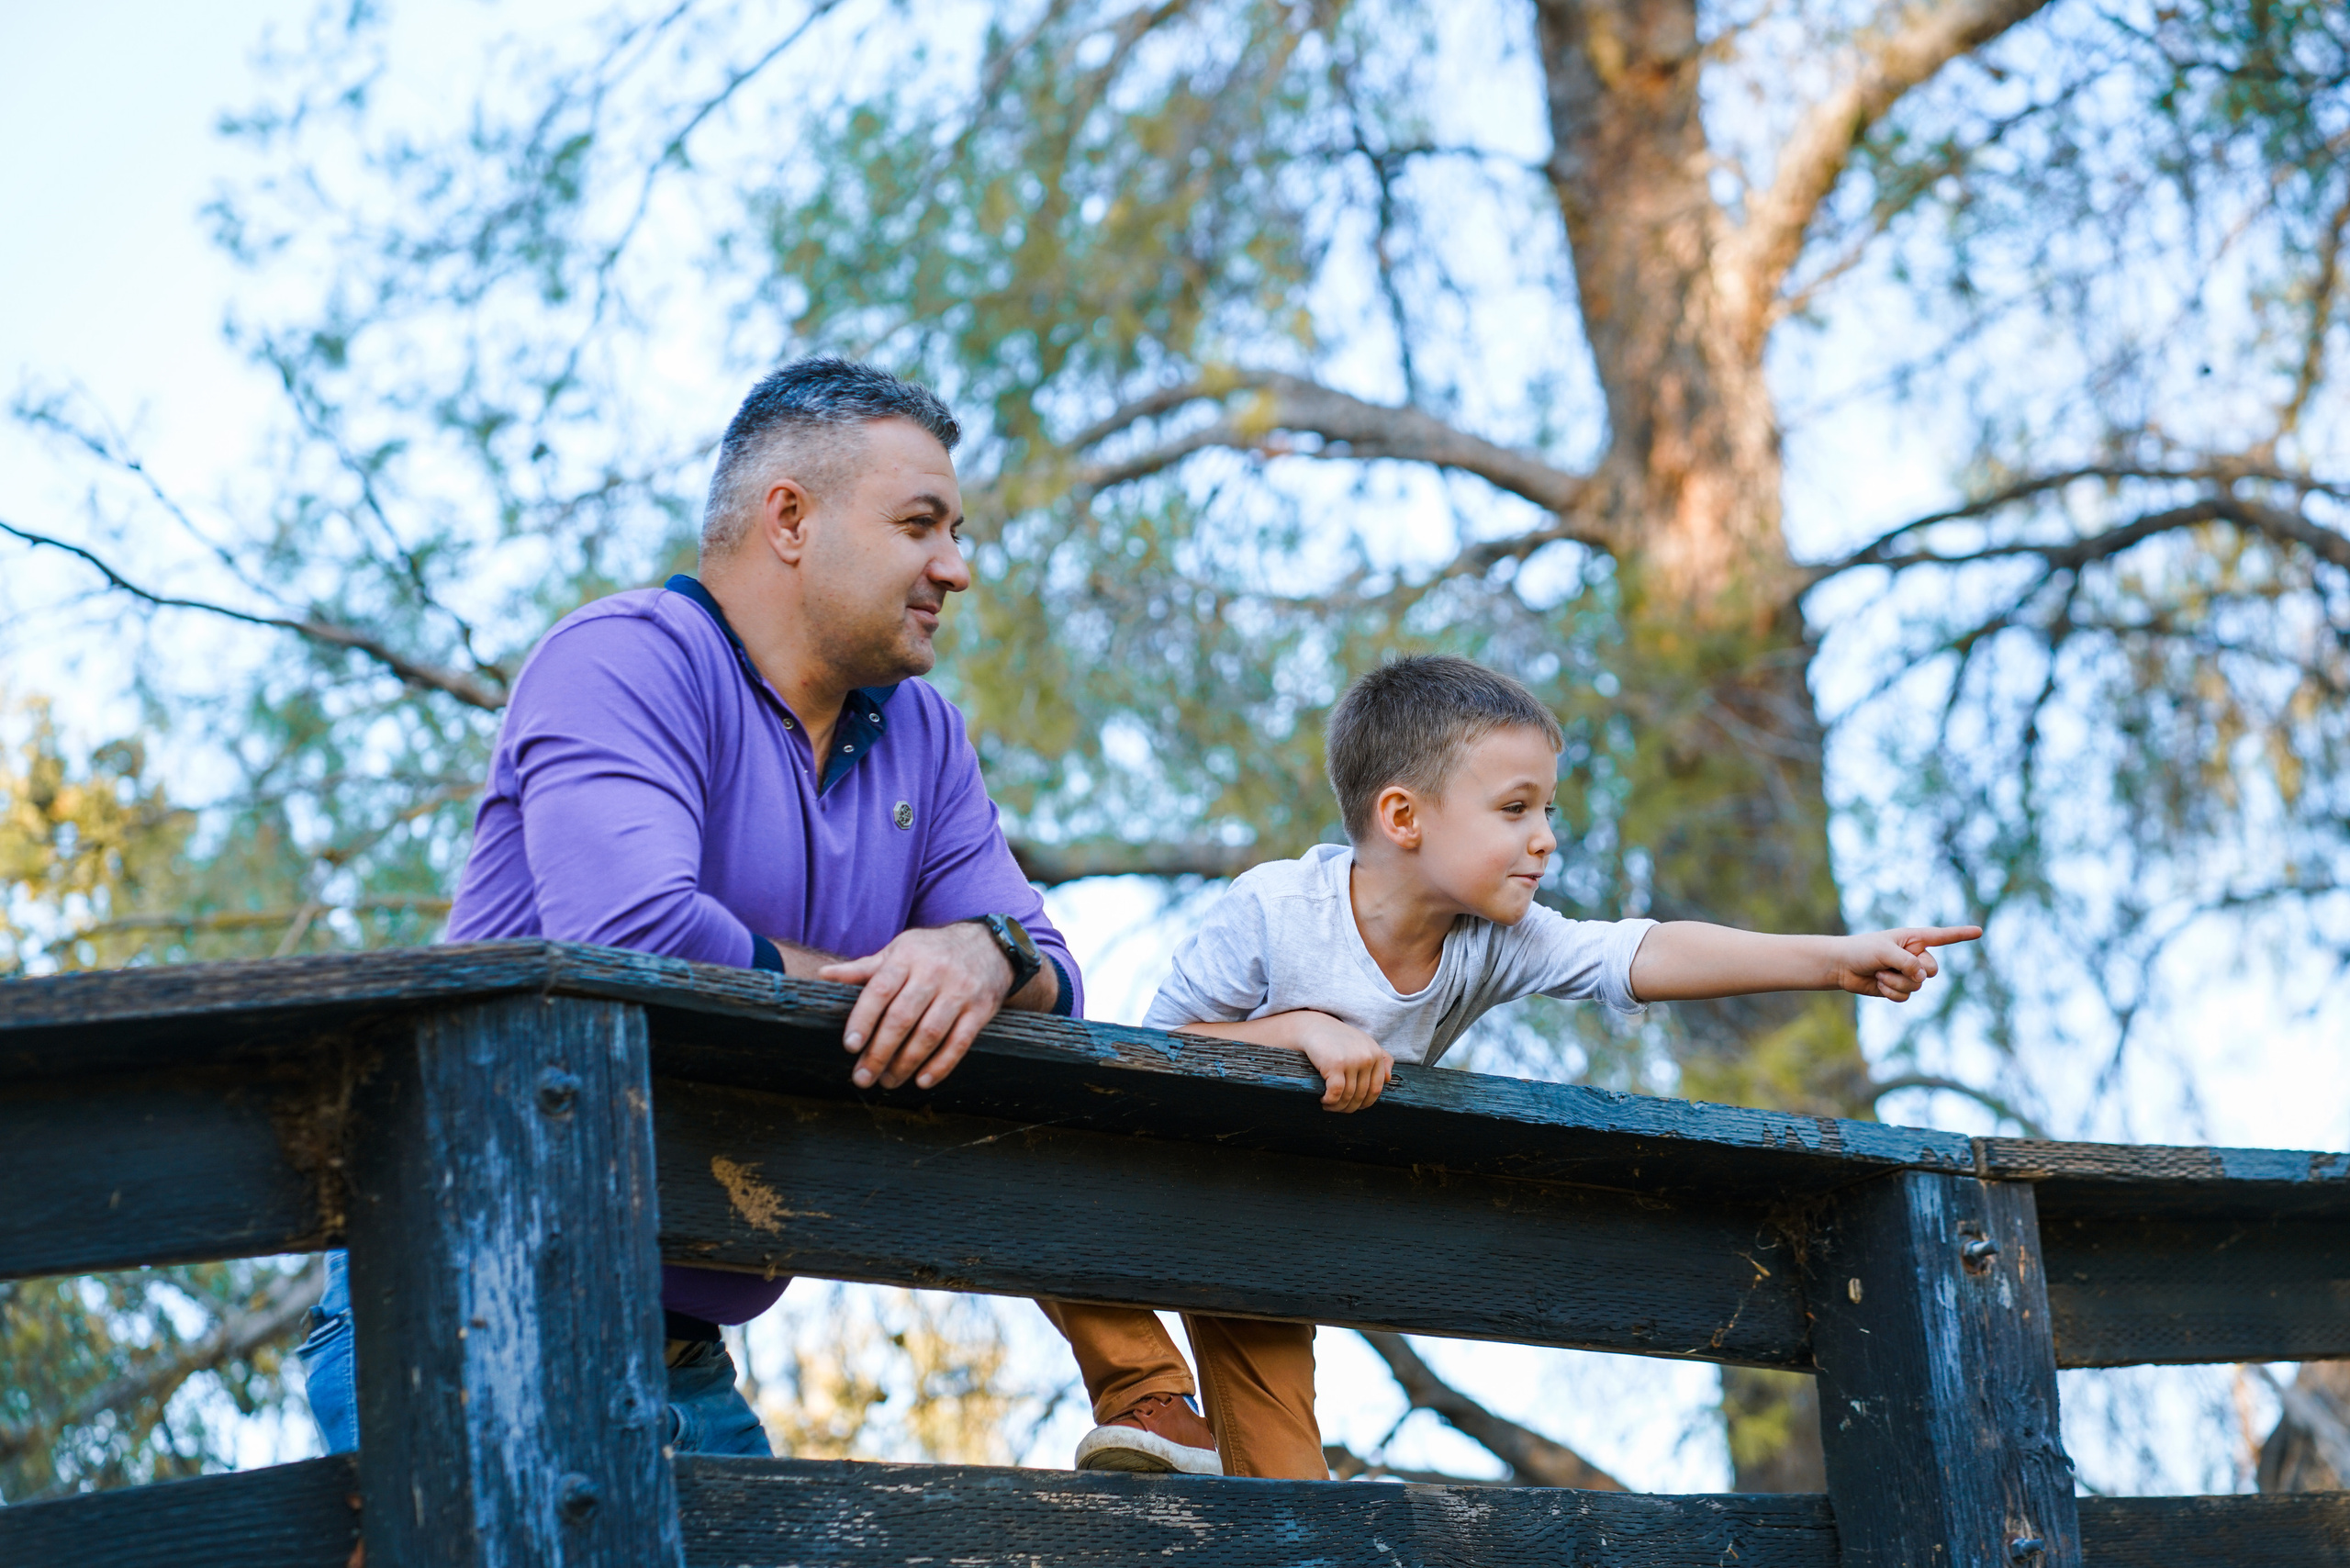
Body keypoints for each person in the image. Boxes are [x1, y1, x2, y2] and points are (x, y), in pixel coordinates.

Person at [298, 356, 1087, 1458]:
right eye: (921, 524)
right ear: (790, 519)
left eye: (954, 532)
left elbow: (1048, 969)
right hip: (465, 1274)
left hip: (683, 1339)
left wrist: (978, 951)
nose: (954, 568)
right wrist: (891, 989)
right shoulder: (621, 658)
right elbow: (632, 937)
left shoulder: (925, 734)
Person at [1059, 654, 1978, 1480]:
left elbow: (1639, 952)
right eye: (1515, 809)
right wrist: (1296, 1028)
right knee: (1038, 1139)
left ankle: (1210, 1465)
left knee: (1290, 1494)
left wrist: (1831, 959)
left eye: (1548, 810)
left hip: (1272, 1232)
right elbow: (1149, 1064)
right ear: (1402, 816)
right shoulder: (1274, 910)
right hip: (1163, 1183)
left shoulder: (1492, 940)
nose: (1545, 838)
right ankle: (1148, 1393)